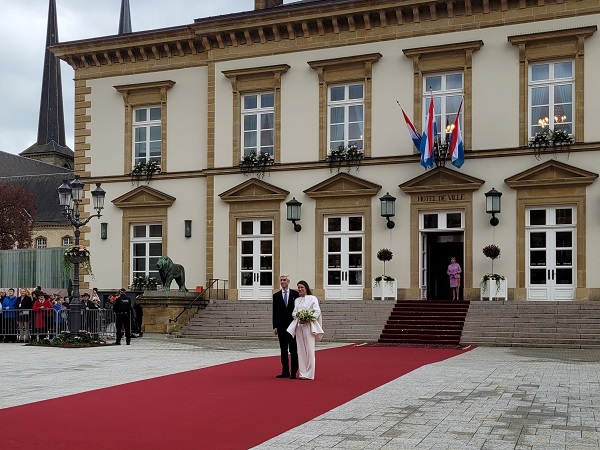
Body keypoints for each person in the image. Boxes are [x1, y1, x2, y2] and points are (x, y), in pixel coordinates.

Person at [287, 280, 324, 380]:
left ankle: (310, 374)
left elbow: (317, 311)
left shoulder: (312, 298)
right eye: (298, 287)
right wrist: (298, 316)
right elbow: (294, 313)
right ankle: (303, 373)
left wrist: (307, 318)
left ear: (306, 288)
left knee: (309, 349)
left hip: (308, 326)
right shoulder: (297, 300)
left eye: (302, 287)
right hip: (299, 326)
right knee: (301, 350)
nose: (300, 289)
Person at [272, 274, 299, 379]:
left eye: (284, 280)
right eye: (281, 280)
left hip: (292, 325)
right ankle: (285, 371)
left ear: (288, 282)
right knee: (283, 349)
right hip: (281, 326)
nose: (283, 282)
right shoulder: (276, 296)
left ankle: (293, 372)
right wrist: (275, 326)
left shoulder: (295, 294)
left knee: (293, 349)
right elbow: (275, 312)